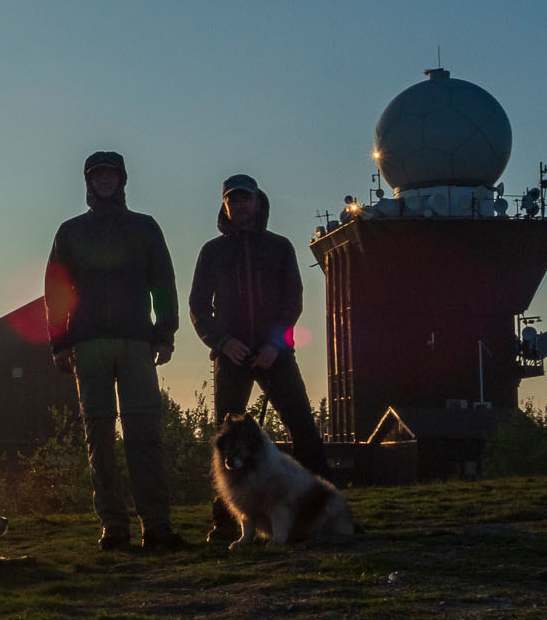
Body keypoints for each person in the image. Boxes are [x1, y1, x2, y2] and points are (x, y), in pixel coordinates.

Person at [44, 151, 186, 552]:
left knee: (145, 434)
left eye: (111, 176)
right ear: (88, 183)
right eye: (98, 176)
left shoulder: (145, 227)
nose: (105, 182)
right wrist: (59, 341)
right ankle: (113, 527)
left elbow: (163, 279)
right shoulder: (70, 232)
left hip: (137, 341)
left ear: (123, 181)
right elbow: (56, 291)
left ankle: (156, 525)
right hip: (88, 344)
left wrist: (165, 332)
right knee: (99, 437)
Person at [188, 173, 332, 544]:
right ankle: (224, 524)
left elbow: (293, 303)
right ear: (225, 206)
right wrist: (223, 343)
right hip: (230, 357)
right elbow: (199, 308)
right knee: (226, 443)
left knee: (304, 432)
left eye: (245, 199)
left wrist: (275, 346)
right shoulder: (212, 252)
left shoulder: (280, 248)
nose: (239, 205)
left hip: (276, 355)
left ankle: (324, 515)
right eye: (232, 200)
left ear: (258, 202)